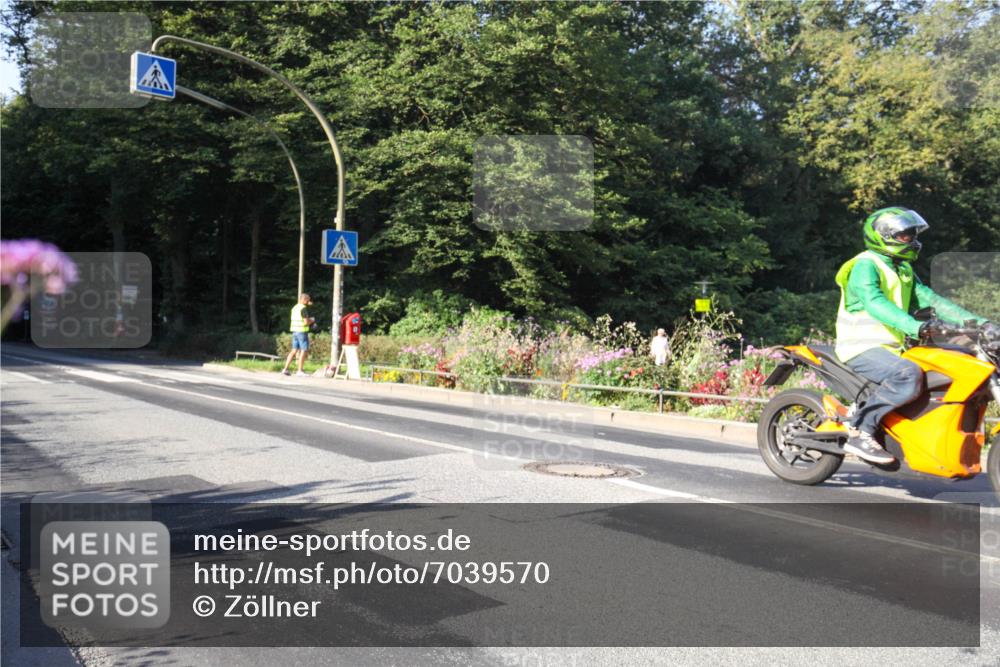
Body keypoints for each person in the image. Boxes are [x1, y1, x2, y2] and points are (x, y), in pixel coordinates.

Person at [834, 207, 995, 463]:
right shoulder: (865, 265)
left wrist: (982, 324)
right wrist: (914, 326)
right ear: (883, 236)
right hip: (860, 346)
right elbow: (875, 302)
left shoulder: (903, 269)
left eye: (912, 235)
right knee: (907, 374)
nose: (912, 240)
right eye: (904, 235)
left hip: (892, 348)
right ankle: (860, 430)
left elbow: (932, 300)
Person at [281, 293, 315, 377]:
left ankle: (285, 369)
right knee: (304, 350)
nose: (308, 302)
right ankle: (300, 371)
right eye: (307, 300)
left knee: (294, 350)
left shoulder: (294, 308)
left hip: (295, 331)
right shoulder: (303, 308)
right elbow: (305, 322)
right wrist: (312, 320)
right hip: (302, 331)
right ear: (304, 300)